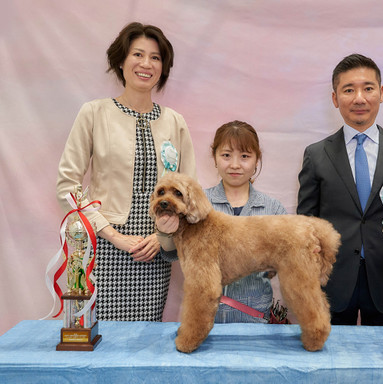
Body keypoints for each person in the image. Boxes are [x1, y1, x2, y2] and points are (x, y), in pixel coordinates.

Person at [56, 22, 196, 321]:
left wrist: (161, 238)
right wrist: (113, 235)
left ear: (163, 68)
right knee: (99, 339)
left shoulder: (175, 122)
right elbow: (68, 187)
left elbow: (191, 194)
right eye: (138, 54)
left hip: (155, 254)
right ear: (121, 61)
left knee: (146, 344)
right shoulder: (94, 113)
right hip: (103, 249)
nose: (146, 64)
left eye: (156, 57)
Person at [297, 54, 383, 326]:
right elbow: (304, 227)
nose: (359, 98)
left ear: (381, 93)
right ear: (335, 98)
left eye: (368, 88)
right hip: (330, 284)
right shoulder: (316, 155)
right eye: (348, 90)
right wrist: (307, 285)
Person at [156, 120, 287, 323]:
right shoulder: (192, 203)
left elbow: (281, 264)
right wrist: (165, 232)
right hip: (204, 320)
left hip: (256, 320)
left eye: (244, 156)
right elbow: (171, 252)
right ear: (215, 158)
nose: (235, 165)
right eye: (226, 155)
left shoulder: (273, 210)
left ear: (256, 160)